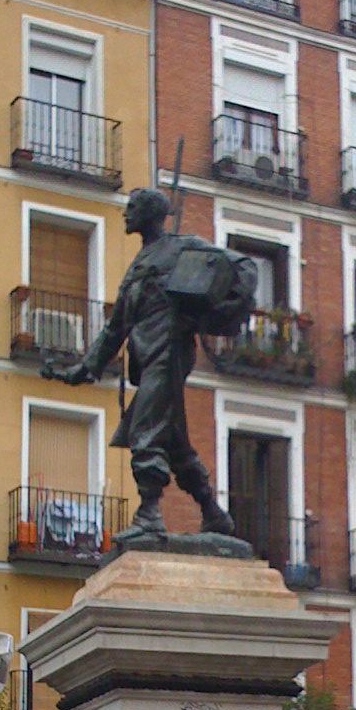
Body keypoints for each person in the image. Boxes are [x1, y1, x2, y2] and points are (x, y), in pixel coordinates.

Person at [46, 187, 253, 542]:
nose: (126, 213)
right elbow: (116, 329)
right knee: (175, 445)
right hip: (147, 358)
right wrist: (82, 368)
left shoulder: (182, 248)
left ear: (152, 213)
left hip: (169, 351)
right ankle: (214, 513)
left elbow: (243, 267)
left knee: (145, 431)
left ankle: (150, 515)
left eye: (133, 207)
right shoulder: (138, 265)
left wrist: (219, 310)